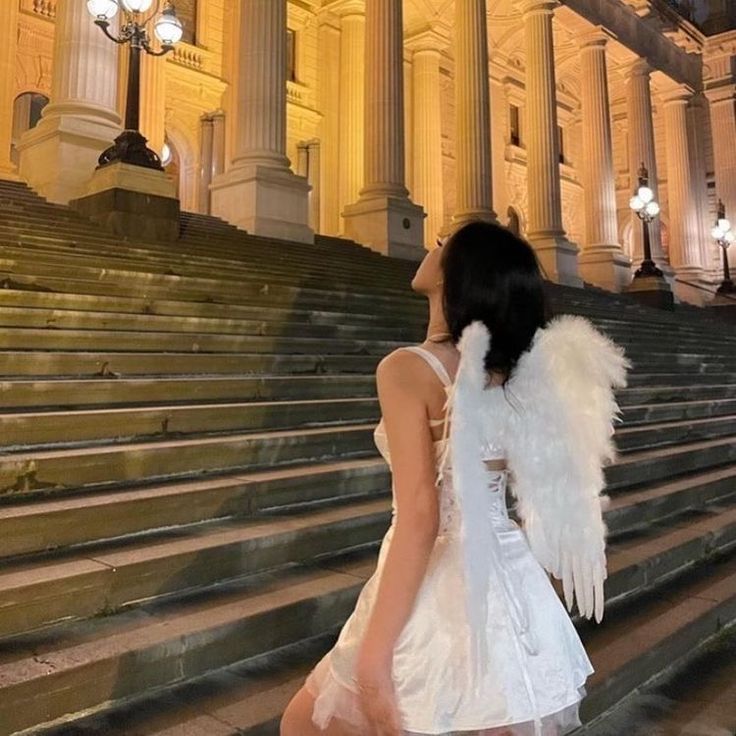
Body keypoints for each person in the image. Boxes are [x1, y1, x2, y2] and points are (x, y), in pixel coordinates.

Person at [280, 221, 629, 736]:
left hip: (438, 579)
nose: (432, 245)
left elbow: (421, 517)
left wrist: (374, 658)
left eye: (443, 243)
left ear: (457, 275)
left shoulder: (407, 368)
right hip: (507, 573)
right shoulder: (512, 377)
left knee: (303, 724)